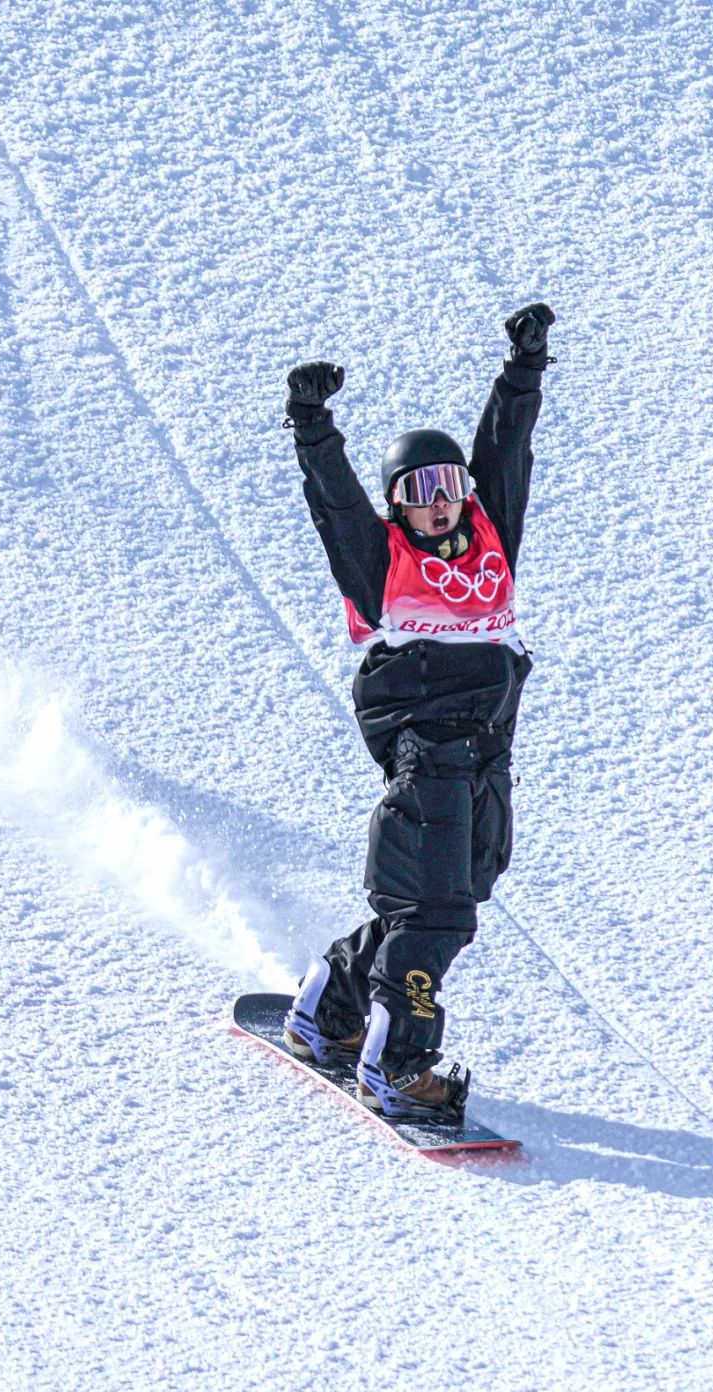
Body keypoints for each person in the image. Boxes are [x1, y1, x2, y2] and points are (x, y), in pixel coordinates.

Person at [281, 304, 555, 1119]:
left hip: (488, 752)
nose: (440, 504)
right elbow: (334, 507)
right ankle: (397, 1064)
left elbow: (505, 451)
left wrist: (523, 369)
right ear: (398, 507)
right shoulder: (385, 567)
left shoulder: (489, 537)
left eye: (448, 487)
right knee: (436, 916)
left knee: (460, 893)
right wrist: (312, 423)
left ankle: (331, 1002)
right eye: (419, 492)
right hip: (432, 752)